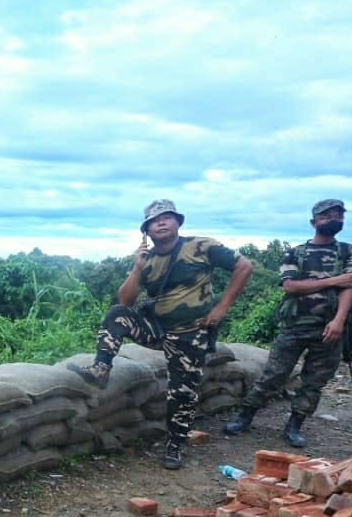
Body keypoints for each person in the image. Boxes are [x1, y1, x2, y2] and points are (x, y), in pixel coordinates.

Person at [69, 199, 253, 469]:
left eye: (167, 217)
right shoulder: (149, 260)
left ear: (178, 221)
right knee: (117, 313)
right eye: (154, 220)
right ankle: (101, 367)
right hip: (157, 329)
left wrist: (221, 308)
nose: (161, 222)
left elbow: (244, 266)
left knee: (181, 393)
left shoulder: (202, 246)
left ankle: (174, 445)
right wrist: (136, 267)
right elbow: (126, 299)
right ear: (147, 231)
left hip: (191, 334)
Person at [224, 199, 352, 447]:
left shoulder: (349, 252)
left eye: (339, 215)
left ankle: (294, 426)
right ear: (314, 221)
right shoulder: (295, 253)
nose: (334, 219)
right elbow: (290, 286)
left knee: (314, 381)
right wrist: (333, 280)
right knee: (273, 374)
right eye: (327, 215)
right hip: (295, 325)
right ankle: (245, 417)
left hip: (331, 328)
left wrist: (339, 320)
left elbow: (349, 286)